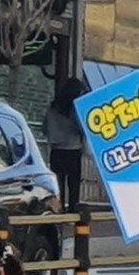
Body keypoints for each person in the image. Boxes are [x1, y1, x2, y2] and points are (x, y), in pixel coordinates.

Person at [44, 78, 86, 212]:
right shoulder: (74, 110)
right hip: (73, 149)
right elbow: (81, 127)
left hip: (56, 149)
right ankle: (73, 208)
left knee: (57, 183)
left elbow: (45, 127)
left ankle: (58, 209)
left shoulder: (53, 108)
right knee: (73, 184)